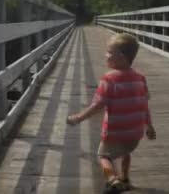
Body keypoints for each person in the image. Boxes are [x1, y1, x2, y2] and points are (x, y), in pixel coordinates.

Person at [67, 33, 156, 193]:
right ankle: (125, 178)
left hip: (115, 133)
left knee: (103, 157)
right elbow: (144, 104)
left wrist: (78, 117)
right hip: (135, 134)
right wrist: (149, 126)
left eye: (109, 52)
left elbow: (97, 105)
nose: (105, 55)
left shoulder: (109, 79)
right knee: (126, 152)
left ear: (120, 56)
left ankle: (112, 180)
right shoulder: (140, 78)